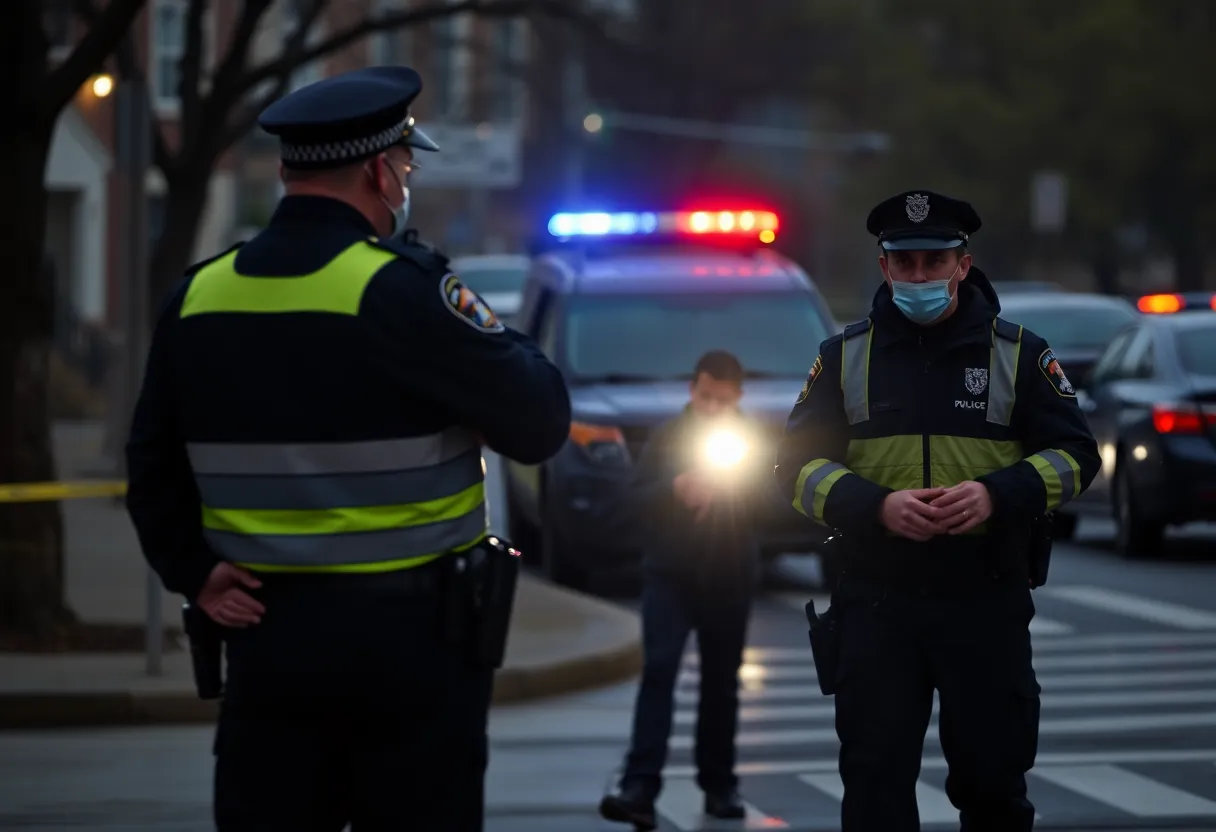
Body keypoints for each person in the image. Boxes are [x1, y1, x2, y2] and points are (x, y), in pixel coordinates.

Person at [124, 65, 571, 832]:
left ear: (287, 172)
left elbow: (150, 465)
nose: (405, 181)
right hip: (413, 655)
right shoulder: (401, 291)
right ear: (379, 170)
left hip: (264, 643)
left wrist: (192, 573)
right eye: (406, 165)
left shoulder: (199, 296)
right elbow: (539, 421)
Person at [775, 190, 1101, 831]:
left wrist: (995, 495)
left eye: (934, 261)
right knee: (874, 786)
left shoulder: (1019, 354)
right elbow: (793, 469)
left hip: (985, 599)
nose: (920, 275)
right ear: (885, 268)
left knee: (992, 787)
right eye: (906, 263)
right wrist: (875, 507)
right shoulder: (844, 357)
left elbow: (1076, 456)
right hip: (876, 603)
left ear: (962, 263)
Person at [599, 350, 763, 831]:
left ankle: (719, 785)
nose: (712, 407)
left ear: (737, 397)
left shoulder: (751, 440)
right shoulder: (668, 436)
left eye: (723, 399)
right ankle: (639, 788)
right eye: (705, 396)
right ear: (693, 389)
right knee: (660, 672)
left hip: (728, 576)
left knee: (720, 683)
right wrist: (676, 488)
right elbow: (629, 500)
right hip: (669, 574)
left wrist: (735, 489)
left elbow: (777, 503)